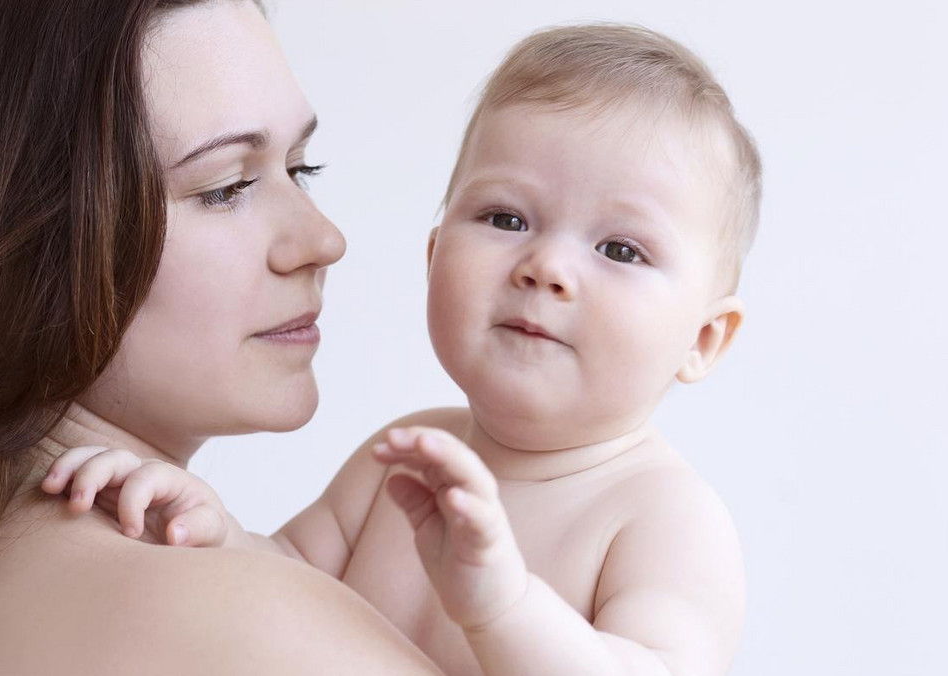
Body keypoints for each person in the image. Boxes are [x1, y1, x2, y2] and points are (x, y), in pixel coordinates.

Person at [46, 23, 762, 676]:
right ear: (432, 255)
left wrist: (503, 607)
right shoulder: (401, 458)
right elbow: (290, 578)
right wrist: (212, 527)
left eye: (619, 249)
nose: (546, 267)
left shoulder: (663, 517)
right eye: (506, 217)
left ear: (701, 340)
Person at [0, 1, 444, 674]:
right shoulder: (246, 624)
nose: (323, 241)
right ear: (7, 241)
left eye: (301, 168)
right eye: (228, 186)